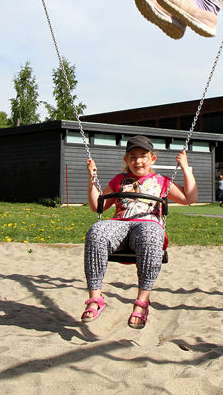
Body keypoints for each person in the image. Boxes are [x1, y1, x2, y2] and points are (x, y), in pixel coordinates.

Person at [82, 136, 197, 329]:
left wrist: (185, 168)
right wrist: (92, 178)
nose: (138, 161)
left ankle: (142, 303)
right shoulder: (119, 180)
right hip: (120, 224)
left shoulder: (161, 181)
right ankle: (95, 300)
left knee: (151, 234)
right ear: (126, 160)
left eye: (143, 156)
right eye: (132, 157)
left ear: (152, 159)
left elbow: (189, 198)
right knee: (96, 231)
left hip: (147, 224)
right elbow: (97, 207)